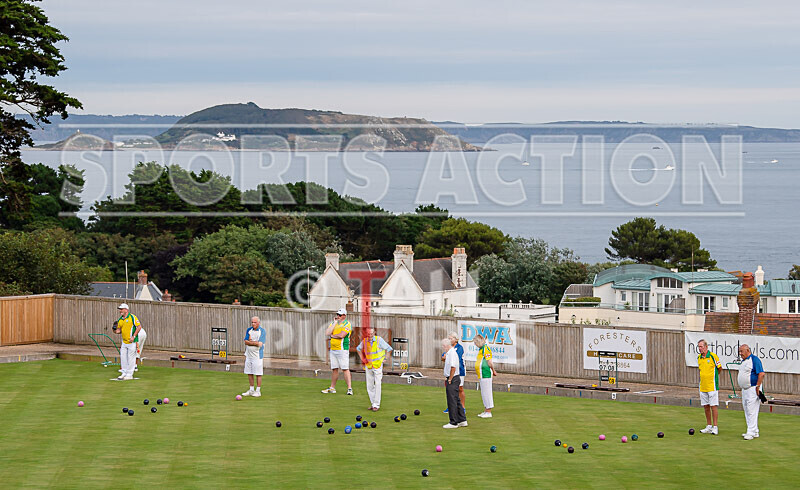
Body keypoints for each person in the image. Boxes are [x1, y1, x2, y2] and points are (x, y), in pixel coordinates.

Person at [356, 326, 392, 411]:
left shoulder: (379, 340)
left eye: (371, 333)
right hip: (368, 365)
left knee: (378, 384)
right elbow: (358, 349)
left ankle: (376, 405)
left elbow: (389, 349)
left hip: (378, 365)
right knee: (369, 385)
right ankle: (373, 404)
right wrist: (362, 359)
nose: (370, 335)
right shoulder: (364, 341)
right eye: (368, 334)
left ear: (374, 333)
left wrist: (385, 359)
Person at [322, 308, 353, 395]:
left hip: (342, 349)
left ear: (344, 316)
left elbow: (342, 335)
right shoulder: (333, 323)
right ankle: (332, 388)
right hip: (333, 349)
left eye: (340, 315)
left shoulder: (347, 324)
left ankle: (349, 389)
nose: (338, 316)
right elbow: (327, 333)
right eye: (337, 315)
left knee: (345, 369)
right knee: (334, 369)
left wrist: (333, 336)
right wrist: (335, 323)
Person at [738, 344, 765, 440]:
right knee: (746, 409)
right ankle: (754, 430)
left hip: (752, 388)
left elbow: (761, 374)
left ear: (748, 350)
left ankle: (750, 431)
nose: (740, 353)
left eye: (742, 351)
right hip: (745, 389)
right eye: (739, 351)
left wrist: (758, 386)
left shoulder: (754, 360)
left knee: (751, 410)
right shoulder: (744, 361)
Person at [696, 339, 722, 434]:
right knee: (706, 406)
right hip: (703, 386)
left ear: (706, 347)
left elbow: (719, 368)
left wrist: (714, 378)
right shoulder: (699, 357)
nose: (700, 348)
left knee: (713, 406)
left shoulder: (713, 356)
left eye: (701, 346)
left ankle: (715, 427)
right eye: (699, 346)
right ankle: (709, 425)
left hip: (712, 386)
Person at [442, 338, 467, 429]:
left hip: (453, 379)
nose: (443, 348)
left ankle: (453, 422)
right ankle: (462, 420)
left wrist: (450, 379)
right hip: (454, 378)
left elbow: (453, 367)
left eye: (443, 346)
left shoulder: (451, 353)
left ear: (446, 346)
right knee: (456, 399)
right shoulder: (450, 353)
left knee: (451, 400)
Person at [113, 303, 142, 381]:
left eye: (121, 309)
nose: (120, 311)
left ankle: (129, 374)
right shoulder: (120, 319)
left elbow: (139, 326)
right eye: (120, 309)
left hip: (132, 342)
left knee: (131, 358)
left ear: (126, 310)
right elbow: (119, 330)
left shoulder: (132, 317)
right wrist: (114, 329)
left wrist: (134, 336)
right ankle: (124, 372)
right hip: (124, 342)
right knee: (123, 357)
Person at [242, 316, 267, 397]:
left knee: (258, 373)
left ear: (258, 323)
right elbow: (245, 341)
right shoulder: (249, 330)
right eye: (252, 322)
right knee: (249, 372)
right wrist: (253, 342)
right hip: (248, 355)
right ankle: (251, 390)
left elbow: (260, 344)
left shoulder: (262, 331)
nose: (253, 324)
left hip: (257, 356)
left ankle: (258, 391)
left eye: (255, 322)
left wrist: (251, 342)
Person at [474, 334, 497, 418]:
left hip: (485, 373)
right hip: (481, 374)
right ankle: (486, 409)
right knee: (483, 392)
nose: (475, 344)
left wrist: (493, 370)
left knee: (487, 392)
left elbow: (489, 361)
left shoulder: (486, 349)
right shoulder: (481, 349)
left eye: (475, 342)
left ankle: (488, 411)